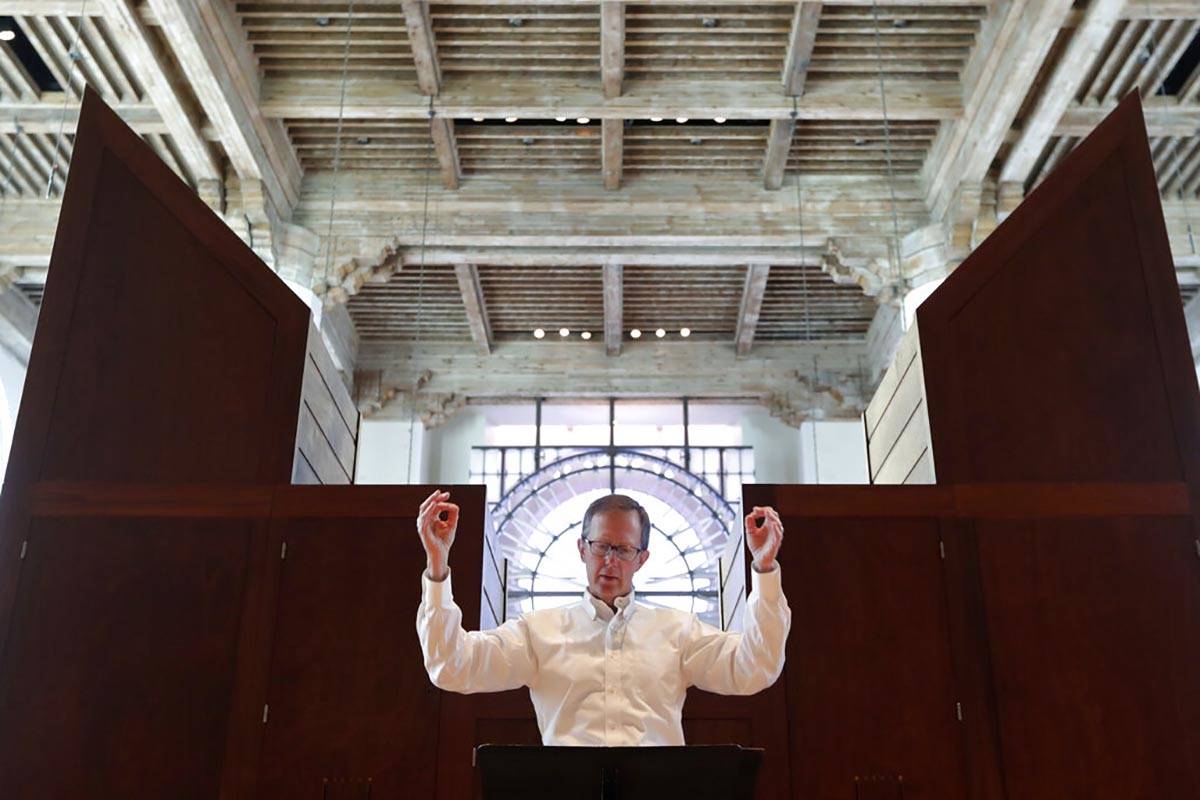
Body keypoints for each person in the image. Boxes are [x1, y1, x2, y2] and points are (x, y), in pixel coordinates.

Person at [416, 490, 790, 746]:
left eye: (624, 549)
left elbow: (755, 667)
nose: (610, 560)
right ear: (582, 549)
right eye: (601, 547)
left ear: (642, 558)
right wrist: (437, 564)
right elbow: (452, 666)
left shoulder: (678, 631)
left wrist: (764, 567)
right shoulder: (537, 632)